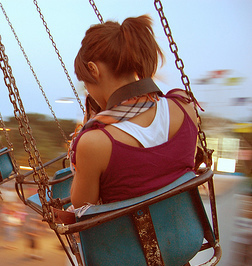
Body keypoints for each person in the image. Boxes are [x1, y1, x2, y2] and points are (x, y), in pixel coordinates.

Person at [69, 15, 198, 211]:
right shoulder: (185, 106)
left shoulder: (94, 143)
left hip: (130, 241)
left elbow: (81, 206)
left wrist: (91, 122)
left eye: (85, 83)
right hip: (188, 234)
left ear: (93, 70)